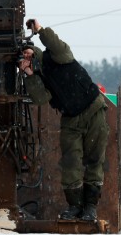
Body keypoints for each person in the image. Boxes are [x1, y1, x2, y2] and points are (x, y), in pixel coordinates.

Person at [18, 18, 110, 221]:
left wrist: (40, 29)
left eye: (28, 51)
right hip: (70, 119)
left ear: (35, 50)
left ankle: (90, 208)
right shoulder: (37, 76)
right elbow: (41, 98)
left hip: (93, 110)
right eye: (23, 55)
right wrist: (29, 74)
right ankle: (75, 206)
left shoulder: (56, 56)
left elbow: (56, 44)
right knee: (71, 163)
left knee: (94, 160)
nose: (26, 55)